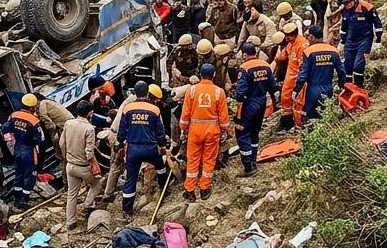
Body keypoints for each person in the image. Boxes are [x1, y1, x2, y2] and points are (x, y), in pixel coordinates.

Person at [117, 83, 169, 217]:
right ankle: (163, 187)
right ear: (147, 93)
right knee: (160, 166)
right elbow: (160, 132)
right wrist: (162, 145)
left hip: (133, 149)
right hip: (150, 148)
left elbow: (122, 130)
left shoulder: (127, 108)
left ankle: (126, 211)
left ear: (135, 92)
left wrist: (120, 144)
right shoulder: (154, 109)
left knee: (130, 179)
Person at [180, 64, 229, 201]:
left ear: (200, 75)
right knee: (209, 160)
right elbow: (224, 118)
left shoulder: (191, 91)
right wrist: (226, 130)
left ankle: (189, 190)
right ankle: (204, 189)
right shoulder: (219, 92)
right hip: (212, 132)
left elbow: (185, 114)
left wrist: (183, 129)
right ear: (213, 75)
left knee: (193, 160)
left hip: (194, 132)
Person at [235, 43, 279, 177]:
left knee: (242, 133)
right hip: (262, 103)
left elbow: (240, 94)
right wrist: (275, 103)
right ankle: (253, 159)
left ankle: (248, 166)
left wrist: (238, 115)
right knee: (254, 133)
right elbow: (273, 87)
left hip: (249, 104)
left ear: (244, 55)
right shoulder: (266, 65)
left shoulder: (244, 68)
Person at [293, 24, 346, 124]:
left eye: (308, 36)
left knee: (310, 121)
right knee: (325, 119)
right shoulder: (333, 50)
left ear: (312, 37)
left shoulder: (308, 52)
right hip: (328, 90)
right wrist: (342, 85)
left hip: (313, 90)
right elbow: (342, 72)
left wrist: (296, 90)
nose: (308, 38)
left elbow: (303, 75)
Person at [59, 100, 100, 230]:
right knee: (96, 185)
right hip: (83, 167)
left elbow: (61, 143)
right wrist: (94, 165)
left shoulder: (68, 123)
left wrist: (67, 157)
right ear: (90, 113)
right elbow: (89, 153)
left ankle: (70, 221)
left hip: (70, 166)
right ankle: (89, 203)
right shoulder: (89, 128)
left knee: (72, 194)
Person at [0, 94, 45, 209]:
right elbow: (39, 140)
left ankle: (16, 198)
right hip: (29, 151)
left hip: (17, 149)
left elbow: (5, 128)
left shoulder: (14, 115)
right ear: (32, 107)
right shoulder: (34, 120)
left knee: (18, 173)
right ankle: (23, 201)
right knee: (30, 175)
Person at [337, 0, 381, 88]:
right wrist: (342, 42)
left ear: (353, 0)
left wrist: (378, 39)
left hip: (365, 40)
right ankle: (347, 89)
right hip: (350, 40)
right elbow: (344, 28)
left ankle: (359, 87)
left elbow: (377, 24)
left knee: (358, 66)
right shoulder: (344, 10)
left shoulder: (367, 7)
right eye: (344, 4)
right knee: (347, 66)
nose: (346, 5)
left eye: (347, 3)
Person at [274, 22, 308, 130]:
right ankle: (286, 120)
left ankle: (295, 122)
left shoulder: (302, 45)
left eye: (288, 36)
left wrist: (298, 81)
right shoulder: (290, 44)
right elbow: (281, 57)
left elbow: (303, 66)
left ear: (294, 34)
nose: (287, 38)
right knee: (285, 98)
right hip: (290, 75)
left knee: (297, 100)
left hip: (297, 76)